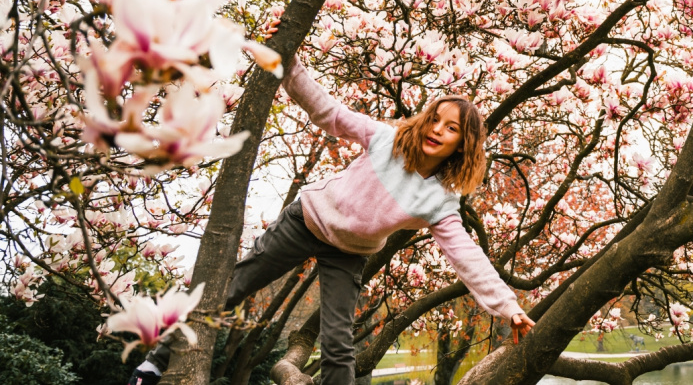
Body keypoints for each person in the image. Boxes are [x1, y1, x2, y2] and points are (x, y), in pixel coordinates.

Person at [129, 58, 535, 385]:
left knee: (338, 343)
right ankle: (153, 364)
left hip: (349, 253)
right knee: (231, 288)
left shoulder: (440, 200)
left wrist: (508, 306)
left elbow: (467, 256)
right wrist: (285, 63)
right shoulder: (385, 139)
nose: (437, 130)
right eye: (435, 119)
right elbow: (329, 113)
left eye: (451, 129)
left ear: (462, 144)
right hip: (305, 222)